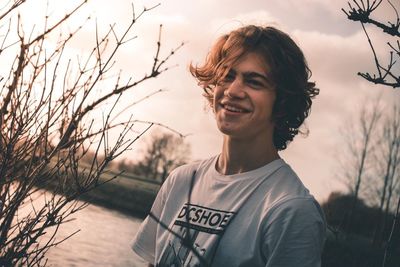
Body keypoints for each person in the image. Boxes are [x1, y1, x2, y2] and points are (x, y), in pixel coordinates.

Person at [131, 25, 326, 267]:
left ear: (283, 100)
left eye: (254, 82)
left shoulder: (291, 210)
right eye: (227, 76)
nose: (233, 90)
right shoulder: (180, 181)